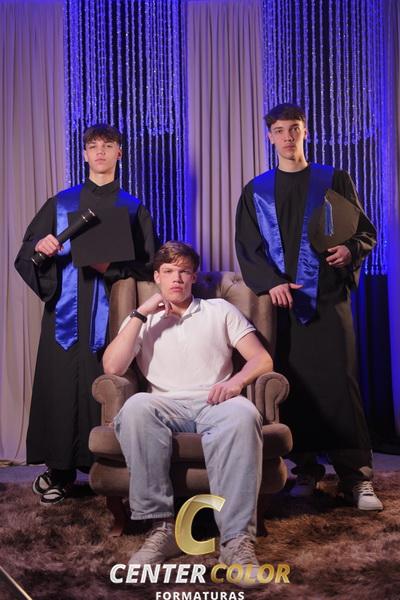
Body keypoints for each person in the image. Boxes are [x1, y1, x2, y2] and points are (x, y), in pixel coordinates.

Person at [235, 103, 383, 511]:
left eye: (294, 128)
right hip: (283, 308)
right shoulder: (256, 191)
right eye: (280, 130)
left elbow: (365, 232)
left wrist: (349, 249)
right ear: (270, 137)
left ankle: (356, 477)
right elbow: (248, 248)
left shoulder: (333, 179)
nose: (288, 136)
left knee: (341, 385)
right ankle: (306, 471)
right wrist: (271, 282)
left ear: (305, 131)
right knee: (292, 387)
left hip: (329, 300)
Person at [102, 241, 273, 586]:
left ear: (194, 277)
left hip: (217, 400)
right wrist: (141, 313)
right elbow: (112, 367)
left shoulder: (219, 309)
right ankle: (161, 528)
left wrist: (236, 382)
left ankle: (236, 541)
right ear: (157, 277)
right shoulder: (141, 319)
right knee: (135, 408)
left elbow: (262, 359)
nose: (176, 278)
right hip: (164, 404)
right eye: (168, 271)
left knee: (244, 416)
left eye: (183, 271)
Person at [15, 124, 159, 504]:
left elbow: (149, 266)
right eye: (93, 146)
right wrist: (42, 247)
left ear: (119, 153)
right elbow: (27, 254)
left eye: (108, 146)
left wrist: (111, 267)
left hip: (111, 316)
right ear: (84, 155)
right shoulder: (60, 204)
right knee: (61, 387)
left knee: (106, 384)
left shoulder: (132, 208)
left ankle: (108, 469)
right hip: (64, 314)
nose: (100, 152)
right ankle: (60, 472)